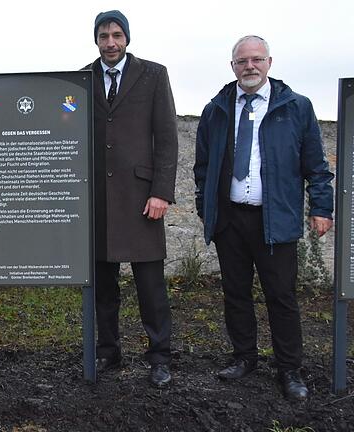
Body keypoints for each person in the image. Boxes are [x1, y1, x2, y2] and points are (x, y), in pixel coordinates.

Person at [194, 35, 334, 400]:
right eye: (242, 61)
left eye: (256, 60)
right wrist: (204, 206)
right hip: (230, 220)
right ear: (233, 67)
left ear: (269, 63)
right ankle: (244, 358)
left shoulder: (296, 107)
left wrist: (321, 208)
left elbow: (316, 167)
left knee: (281, 297)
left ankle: (290, 369)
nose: (250, 67)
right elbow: (203, 167)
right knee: (235, 294)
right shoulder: (216, 109)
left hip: (275, 220)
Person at [84, 10, 179, 387]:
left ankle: (160, 357)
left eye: (117, 35)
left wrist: (161, 192)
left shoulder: (153, 75)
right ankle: (108, 352)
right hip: (97, 200)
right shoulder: (81, 78)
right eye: (104, 35)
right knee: (103, 288)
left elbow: (167, 137)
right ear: (96, 40)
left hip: (142, 199)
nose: (110, 42)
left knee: (151, 288)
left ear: (127, 38)